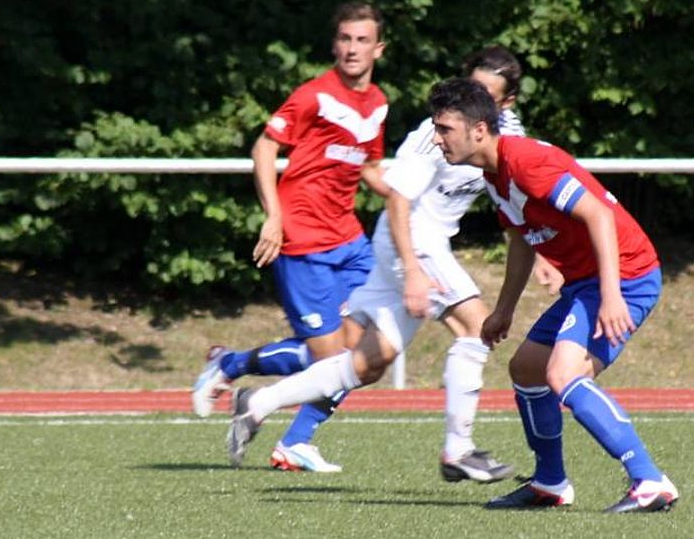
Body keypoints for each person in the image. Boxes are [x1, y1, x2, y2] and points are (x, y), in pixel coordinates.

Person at [223, 47, 552, 483]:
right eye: (471, 88)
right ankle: (458, 450)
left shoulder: (507, 132)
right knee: (475, 327)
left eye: (487, 95)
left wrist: (541, 253)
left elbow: (512, 194)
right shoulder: (437, 133)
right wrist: (412, 270)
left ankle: (258, 403)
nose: (474, 100)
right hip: (410, 239)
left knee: (368, 362)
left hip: (422, 243)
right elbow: (398, 198)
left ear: (506, 103)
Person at [426, 78, 679, 513]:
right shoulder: (493, 174)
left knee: (563, 374)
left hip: (626, 276)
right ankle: (550, 483)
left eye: (444, 128)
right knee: (526, 369)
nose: (436, 138)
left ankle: (649, 480)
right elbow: (522, 241)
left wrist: (612, 294)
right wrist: (504, 309)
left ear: (479, 130)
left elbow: (598, 215)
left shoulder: (526, 163)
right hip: (587, 283)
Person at [191, 1, 389, 473]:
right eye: (345, 38)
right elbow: (264, 147)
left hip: (351, 242)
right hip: (303, 241)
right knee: (330, 358)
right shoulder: (313, 95)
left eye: (362, 40)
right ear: (334, 44)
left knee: (370, 350)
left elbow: (369, 167)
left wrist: (407, 199)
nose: (352, 48)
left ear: (379, 48)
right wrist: (273, 217)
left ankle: (294, 441)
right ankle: (231, 367)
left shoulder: (378, 103)